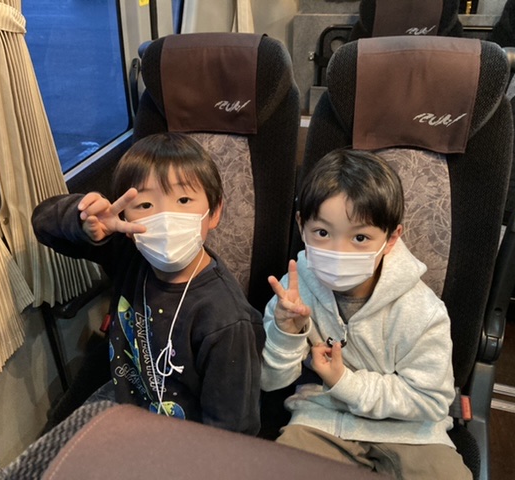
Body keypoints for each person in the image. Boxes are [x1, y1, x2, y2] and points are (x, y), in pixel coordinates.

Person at [32, 132, 264, 435]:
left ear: (214, 212)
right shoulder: (129, 255)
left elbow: (232, 432)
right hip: (123, 406)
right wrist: (83, 222)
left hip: (184, 439)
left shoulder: (226, 320)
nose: (165, 218)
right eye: (144, 204)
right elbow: (43, 224)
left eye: (183, 200)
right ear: (124, 218)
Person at [261, 149, 471, 478]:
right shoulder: (294, 291)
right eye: (322, 233)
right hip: (321, 422)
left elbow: (431, 400)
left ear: (391, 238)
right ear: (302, 225)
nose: (338, 251)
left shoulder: (422, 310)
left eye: (360, 237)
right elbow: (271, 381)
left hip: (412, 433)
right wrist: (286, 333)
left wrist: (346, 383)